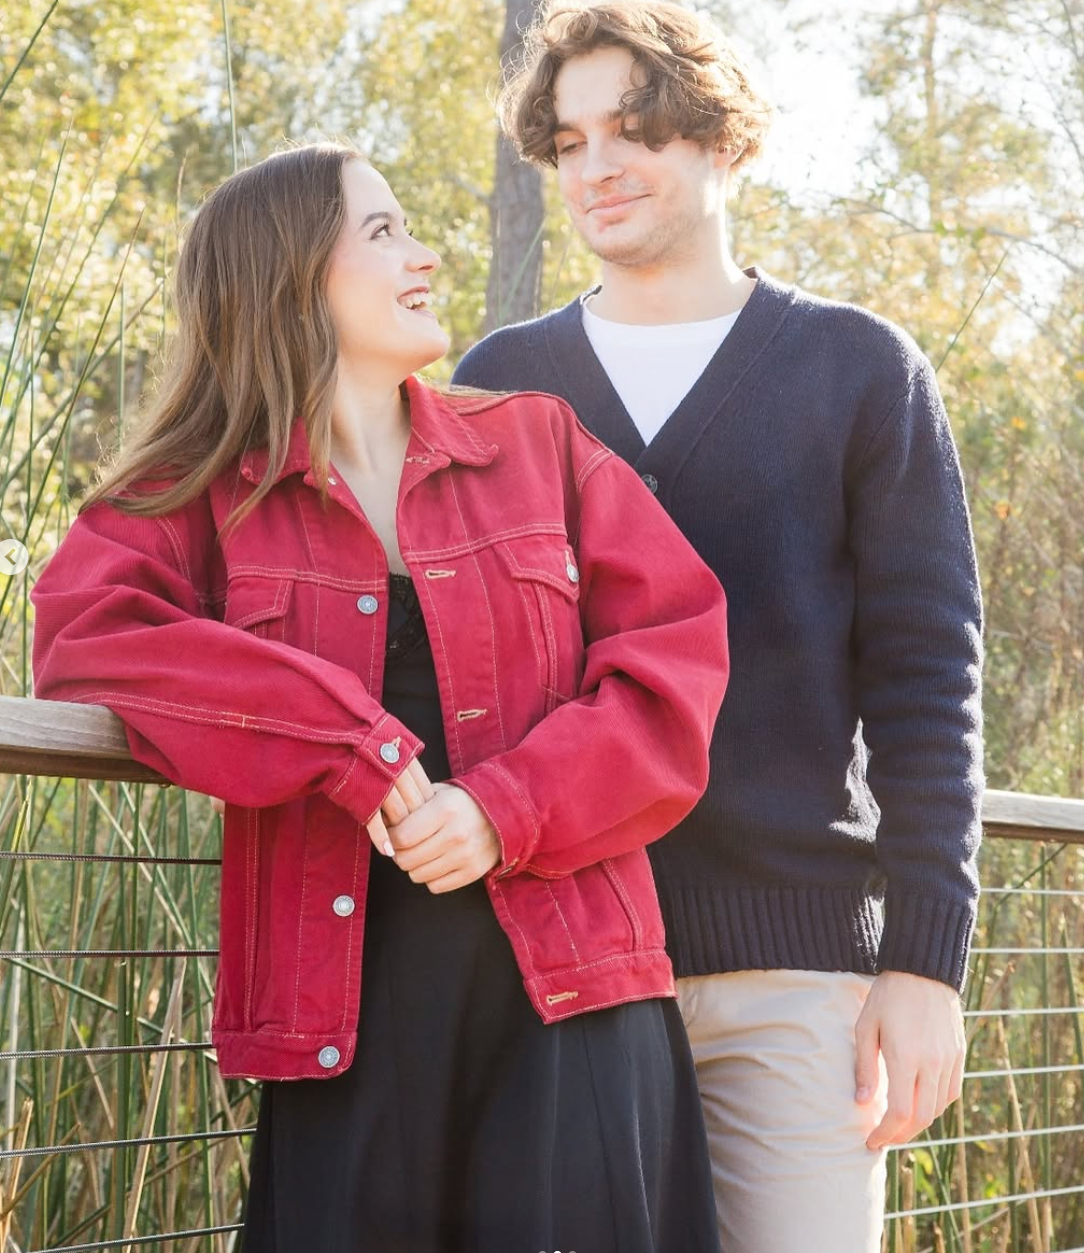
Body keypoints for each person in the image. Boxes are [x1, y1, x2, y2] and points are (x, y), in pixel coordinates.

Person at [29, 142, 731, 1253]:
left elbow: (674, 667)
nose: (425, 252)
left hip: (575, 1005)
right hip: (343, 1030)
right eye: (384, 230)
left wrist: (505, 806)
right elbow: (83, 636)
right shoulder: (204, 490)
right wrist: (343, 741)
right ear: (291, 272)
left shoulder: (537, 442)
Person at [454, 0, 985, 1253]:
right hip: (555, 969)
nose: (597, 166)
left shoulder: (856, 367)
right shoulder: (501, 385)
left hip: (792, 977)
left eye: (634, 128)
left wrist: (923, 963)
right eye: (571, 141)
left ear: (718, 136)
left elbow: (927, 680)